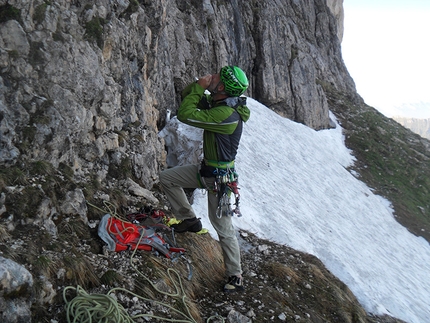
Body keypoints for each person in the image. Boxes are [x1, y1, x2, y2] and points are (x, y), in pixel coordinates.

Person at [159, 66, 250, 292]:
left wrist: (201, 88)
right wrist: (199, 87)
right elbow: (187, 97)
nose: (213, 75)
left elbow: (186, 114)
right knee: (167, 178)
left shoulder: (225, 114)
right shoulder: (221, 104)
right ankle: (189, 219)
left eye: (217, 77)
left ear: (221, 87)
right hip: (207, 171)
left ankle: (235, 275)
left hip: (219, 180)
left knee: (223, 226)